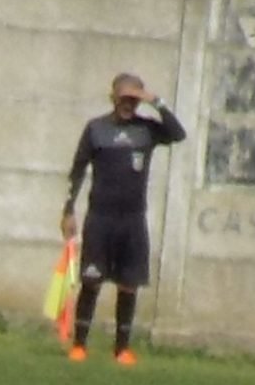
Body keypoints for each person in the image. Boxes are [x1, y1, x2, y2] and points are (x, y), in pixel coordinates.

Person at [59, 73, 186, 365]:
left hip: (132, 220)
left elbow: (178, 134)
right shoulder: (96, 129)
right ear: (112, 98)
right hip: (100, 218)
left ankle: (122, 349)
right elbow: (77, 171)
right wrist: (68, 210)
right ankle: (79, 345)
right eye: (123, 98)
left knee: (128, 284)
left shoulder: (147, 130)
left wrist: (156, 101)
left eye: (133, 99)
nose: (128, 105)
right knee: (91, 281)